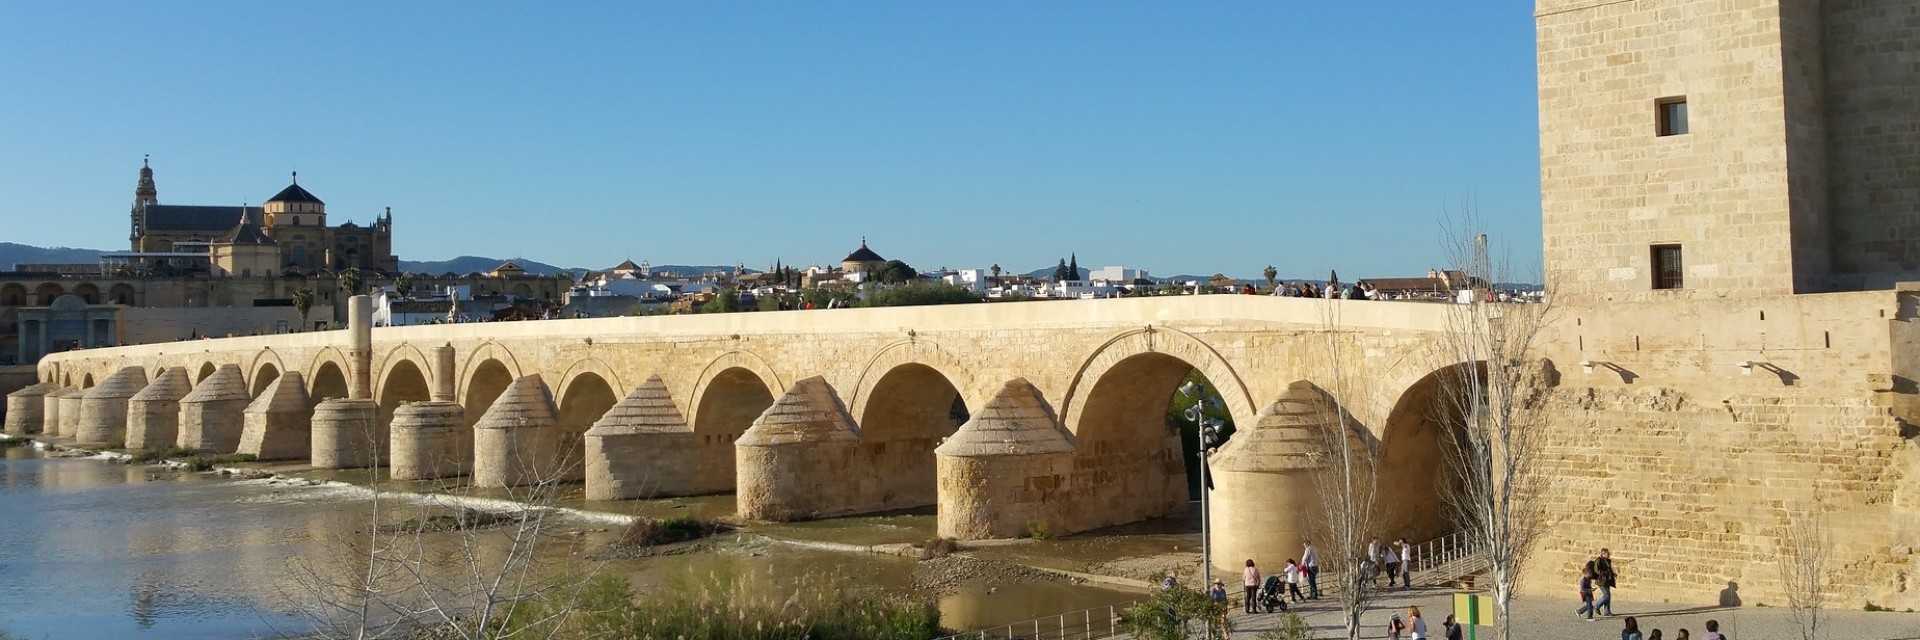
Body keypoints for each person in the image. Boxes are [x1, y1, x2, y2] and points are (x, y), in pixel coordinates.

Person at [1595, 548, 1617, 616]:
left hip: (1607, 581)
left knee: (1608, 595)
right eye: (1608, 553)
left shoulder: (1608, 561)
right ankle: (1597, 606)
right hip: (1601, 581)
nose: (1609, 554)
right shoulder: (1599, 560)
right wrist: (1604, 573)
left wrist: (1613, 574)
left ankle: (1607, 611)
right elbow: (1597, 570)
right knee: (1606, 595)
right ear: (1603, 554)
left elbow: (1609, 570)